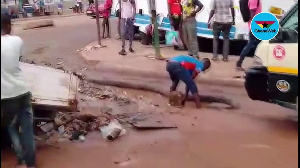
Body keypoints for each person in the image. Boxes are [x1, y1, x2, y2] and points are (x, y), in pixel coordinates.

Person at [1, 14, 36, 168]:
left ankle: (21, 160)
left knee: (11, 127)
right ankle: (31, 164)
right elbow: (16, 61)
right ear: (8, 25)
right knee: (27, 130)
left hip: (6, 96)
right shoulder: (17, 41)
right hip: (23, 91)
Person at [236, 0, 261, 71]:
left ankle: (240, 63)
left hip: (256, 26)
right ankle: (239, 63)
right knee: (251, 45)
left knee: (255, 44)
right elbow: (252, 12)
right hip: (255, 26)